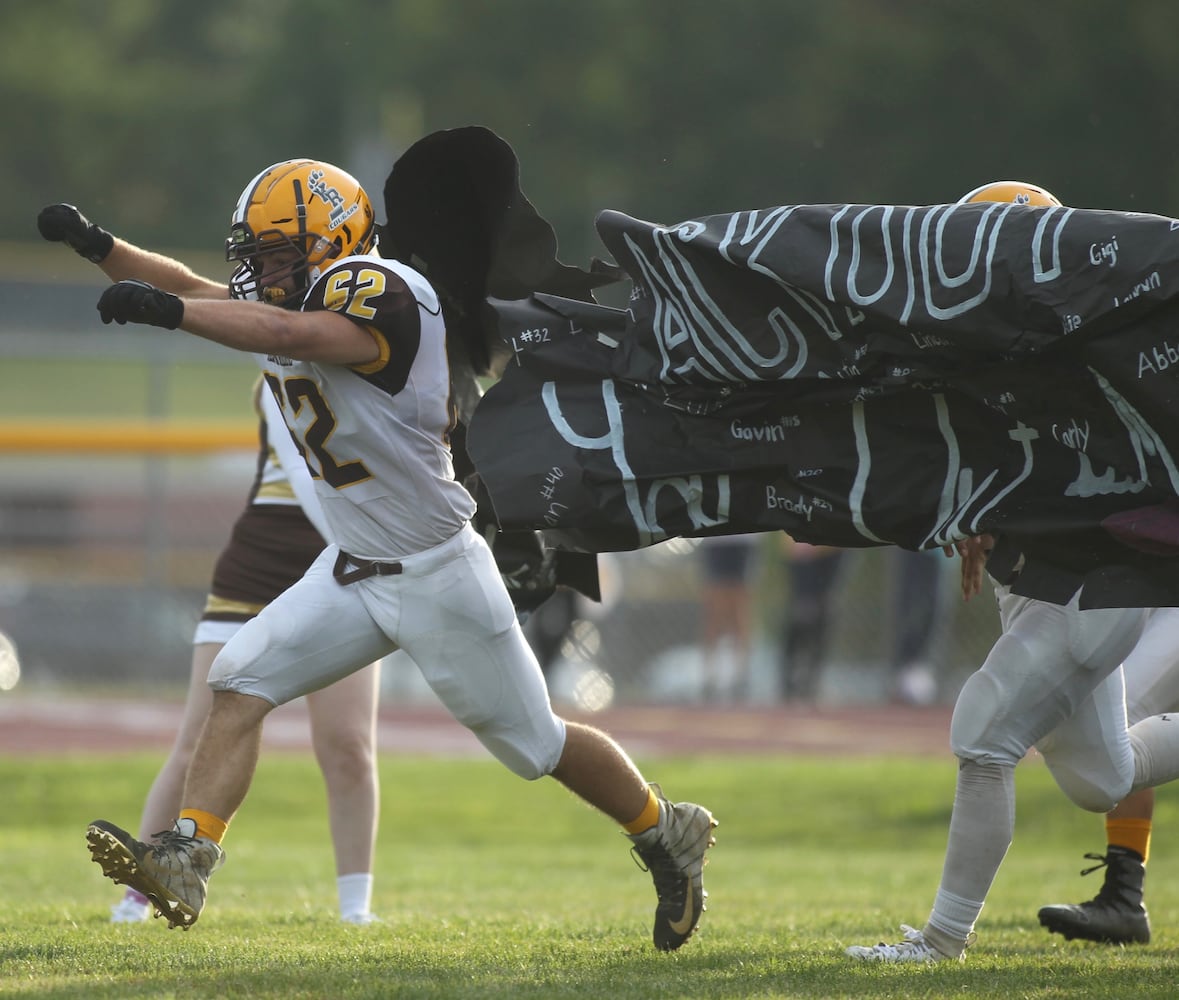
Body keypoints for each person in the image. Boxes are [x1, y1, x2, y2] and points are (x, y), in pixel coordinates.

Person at [40, 157, 715, 950]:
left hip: (437, 572)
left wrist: (169, 313)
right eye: (253, 253)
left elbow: (289, 333)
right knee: (238, 681)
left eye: (279, 252)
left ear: (335, 243)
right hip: (353, 566)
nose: (260, 270)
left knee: (537, 746)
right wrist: (99, 245)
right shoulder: (284, 301)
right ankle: (189, 855)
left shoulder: (384, 289)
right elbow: (197, 287)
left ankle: (663, 828)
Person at [844, 180, 1179, 964]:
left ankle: (941, 940)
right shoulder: (1023, 347)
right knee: (1103, 779)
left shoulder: (1082, 351)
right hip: (1050, 587)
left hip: (1083, 589)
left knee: (982, 738)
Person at [108, 377, 382, 925]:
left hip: (343, 567)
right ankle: (138, 895)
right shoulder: (280, 371)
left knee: (348, 744)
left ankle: (356, 910)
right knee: (197, 740)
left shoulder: (385, 359)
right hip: (262, 561)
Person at [1037, 605, 1179, 945]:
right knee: (1118, 727)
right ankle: (1124, 895)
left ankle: (1124, 896)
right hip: (1146, 586)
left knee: (1120, 723)